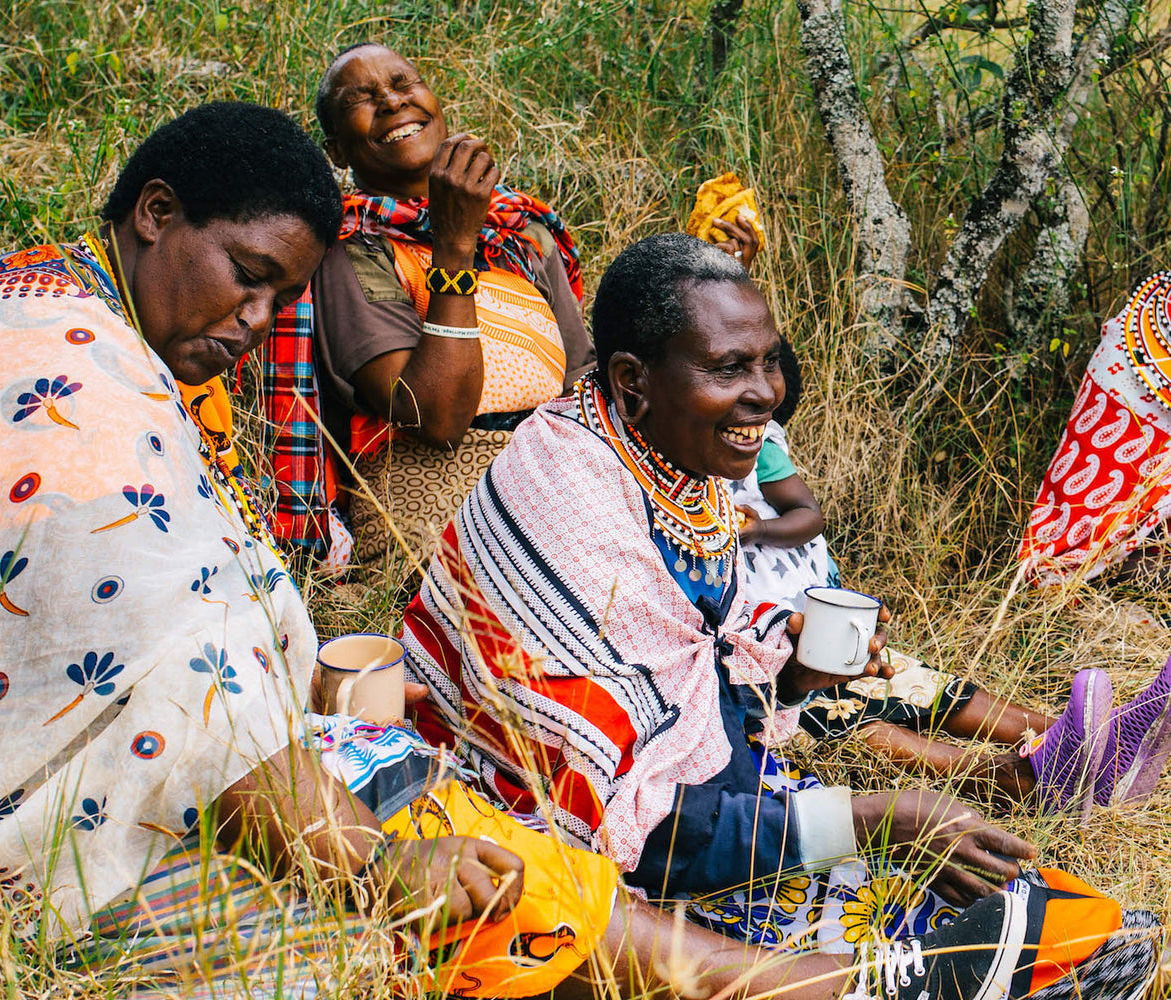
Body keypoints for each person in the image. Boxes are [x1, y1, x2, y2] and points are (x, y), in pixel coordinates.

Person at [0, 101, 933, 1000]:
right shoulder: (75, 391)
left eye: (280, 301)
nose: (253, 325)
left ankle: (733, 968)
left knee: (388, 781)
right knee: (397, 892)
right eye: (245, 279)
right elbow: (191, 669)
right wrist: (365, 862)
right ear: (154, 213)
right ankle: (745, 979)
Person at [401, 232, 1164, 996]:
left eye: (768, 359)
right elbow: (633, 828)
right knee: (988, 946)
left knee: (1079, 922)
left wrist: (795, 676)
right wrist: (870, 818)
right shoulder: (572, 500)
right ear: (634, 379)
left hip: (717, 807)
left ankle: (1033, 793)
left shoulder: (668, 462)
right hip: (586, 864)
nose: (767, 391)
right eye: (730, 367)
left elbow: (694, 697)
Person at [260, 41, 763, 568]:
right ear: (337, 150)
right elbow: (437, 418)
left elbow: (589, 385)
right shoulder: (352, 250)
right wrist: (453, 244)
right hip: (434, 519)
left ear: (434, 101)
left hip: (559, 483)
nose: (391, 102)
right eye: (359, 99)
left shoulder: (519, 232)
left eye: (404, 83)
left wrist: (706, 278)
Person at [731, 340, 1171, 811]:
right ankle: (1028, 782)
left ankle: (1101, 741)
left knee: (909, 680)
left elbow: (804, 512)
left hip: (796, 625)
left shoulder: (758, 449)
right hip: (751, 672)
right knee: (850, 724)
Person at [1021, 271, 1171, 586]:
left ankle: (1139, 586)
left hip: (1144, 345)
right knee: (1084, 501)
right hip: (1140, 357)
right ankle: (1062, 585)